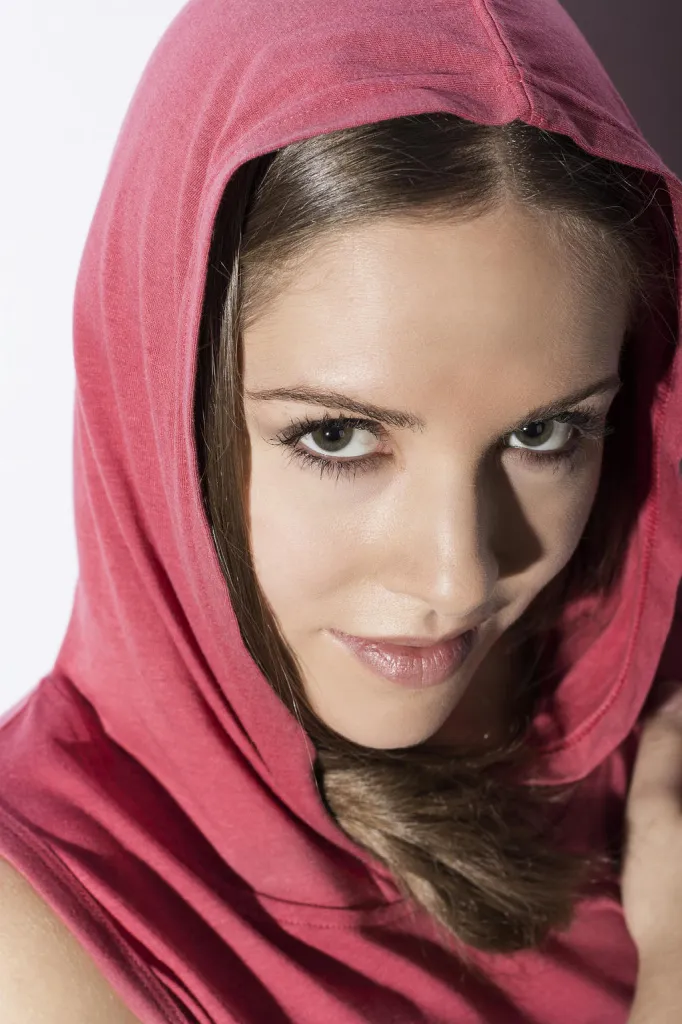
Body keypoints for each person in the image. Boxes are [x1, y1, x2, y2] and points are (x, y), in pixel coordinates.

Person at [0, 0, 680, 1020]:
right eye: (338, 437)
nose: (458, 576)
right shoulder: (37, 926)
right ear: (160, 399)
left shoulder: (652, 728)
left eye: (544, 434)